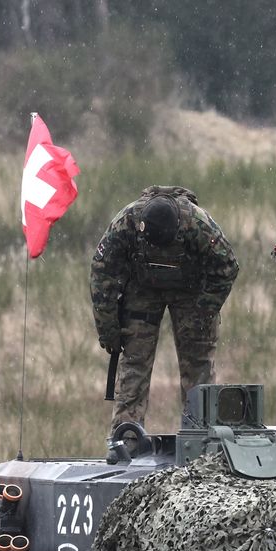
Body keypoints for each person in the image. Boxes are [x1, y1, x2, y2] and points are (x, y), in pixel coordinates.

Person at [91, 186, 239, 454]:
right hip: (142, 288)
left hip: (192, 290)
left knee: (198, 364)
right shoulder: (126, 222)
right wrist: (109, 328)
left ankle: (202, 438)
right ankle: (126, 438)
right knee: (134, 361)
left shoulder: (198, 224)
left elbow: (227, 267)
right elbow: (103, 272)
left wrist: (204, 313)